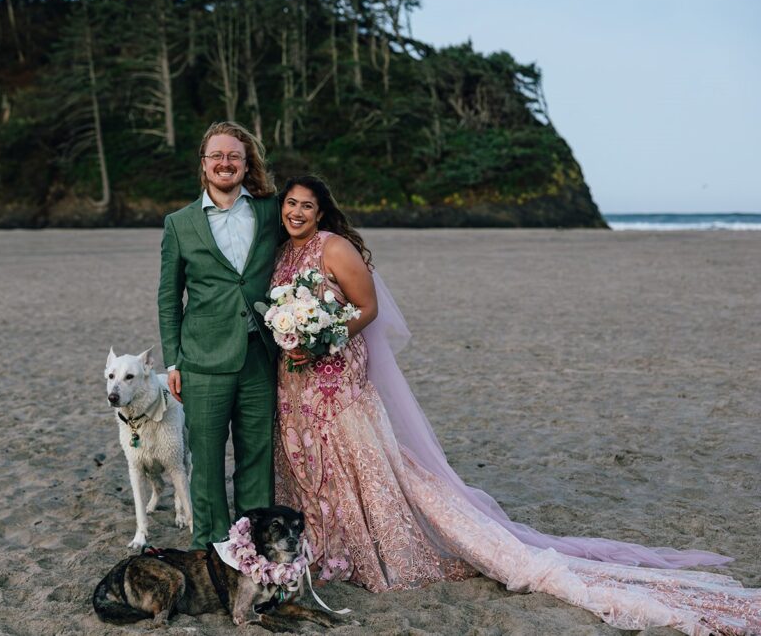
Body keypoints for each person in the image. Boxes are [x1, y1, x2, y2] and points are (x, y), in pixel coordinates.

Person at [270, 174, 759, 634]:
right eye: (290, 203)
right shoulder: (282, 255)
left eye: (305, 205)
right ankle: (327, 546)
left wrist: (323, 338)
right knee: (310, 463)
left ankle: (373, 548)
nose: (296, 211)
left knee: (357, 461)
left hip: (336, 379)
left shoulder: (334, 247)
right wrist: (295, 337)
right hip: (293, 385)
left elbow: (367, 307)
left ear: (320, 211)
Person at [157, 121, 281, 550]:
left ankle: (256, 548)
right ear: (204, 164)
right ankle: (210, 549)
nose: (225, 163)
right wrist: (173, 362)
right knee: (206, 462)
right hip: (202, 361)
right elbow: (169, 298)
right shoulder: (179, 224)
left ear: (247, 165)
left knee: (257, 459)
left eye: (234, 156)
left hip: (260, 356)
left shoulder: (272, 212)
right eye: (217, 156)